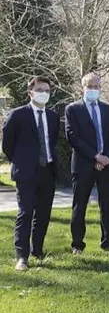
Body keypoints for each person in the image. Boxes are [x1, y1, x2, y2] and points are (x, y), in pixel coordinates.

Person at [2, 77, 59, 271]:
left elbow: (52, 141)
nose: (44, 93)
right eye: (40, 89)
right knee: (25, 213)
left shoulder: (52, 116)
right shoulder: (17, 115)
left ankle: (38, 250)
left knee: (43, 214)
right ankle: (22, 256)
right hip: (26, 172)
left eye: (47, 90)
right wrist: (21, 161)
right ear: (31, 92)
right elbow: (7, 144)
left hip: (47, 171)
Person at [65, 73, 109, 255]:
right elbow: (73, 137)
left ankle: (107, 242)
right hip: (83, 165)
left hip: (106, 165)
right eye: (90, 86)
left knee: (106, 205)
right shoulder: (73, 109)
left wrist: (106, 157)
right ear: (83, 87)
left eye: (96, 86)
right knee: (80, 206)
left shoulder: (106, 109)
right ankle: (77, 245)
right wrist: (95, 156)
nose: (93, 89)